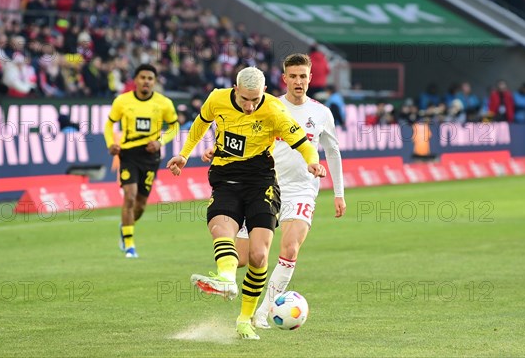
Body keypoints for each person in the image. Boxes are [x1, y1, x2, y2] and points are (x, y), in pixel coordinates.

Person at [166, 66, 326, 340]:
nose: (250, 106)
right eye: (244, 100)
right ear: (235, 90)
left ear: (263, 91)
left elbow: (302, 141)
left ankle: (244, 320)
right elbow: (200, 124)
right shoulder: (216, 99)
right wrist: (183, 154)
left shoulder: (274, 110)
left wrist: (312, 161)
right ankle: (227, 279)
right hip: (225, 179)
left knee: (259, 256)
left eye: (255, 99)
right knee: (221, 229)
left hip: (261, 183)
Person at [203, 54, 346, 330]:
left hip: (301, 191)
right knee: (247, 257)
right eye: (293, 76)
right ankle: (229, 282)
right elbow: (238, 137)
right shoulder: (265, 105)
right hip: (264, 187)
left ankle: (263, 312)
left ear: (310, 78)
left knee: (290, 248)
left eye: (303, 76)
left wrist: (338, 193)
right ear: (284, 79)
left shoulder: (321, 113)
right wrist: (218, 150)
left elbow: (333, 151)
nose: (298, 81)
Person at [104, 63, 179, 258]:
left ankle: (125, 226)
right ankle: (129, 245)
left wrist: (160, 142)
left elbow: (174, 127)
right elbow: (109, 124)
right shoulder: (122, 101)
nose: (146, 81)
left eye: (150, 78)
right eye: (143, 77)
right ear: (135, 80)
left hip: (150, 156)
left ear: (154, 82)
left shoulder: (164, 103)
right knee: (129, 196)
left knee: (140, 205)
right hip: (128, 154)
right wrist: (111, 143)